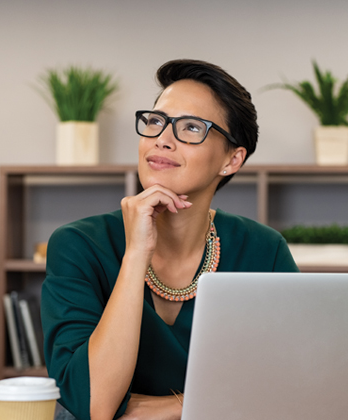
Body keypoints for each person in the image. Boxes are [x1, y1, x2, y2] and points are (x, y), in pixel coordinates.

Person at [41, 59, 299, 420]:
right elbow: (94, 405)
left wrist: (169, 407)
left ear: (232, 159)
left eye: (191, 127)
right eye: (155, 121)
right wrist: (135, 255)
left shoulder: (264, 250)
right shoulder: (77, 245)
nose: (162, 139)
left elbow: (290, 383)